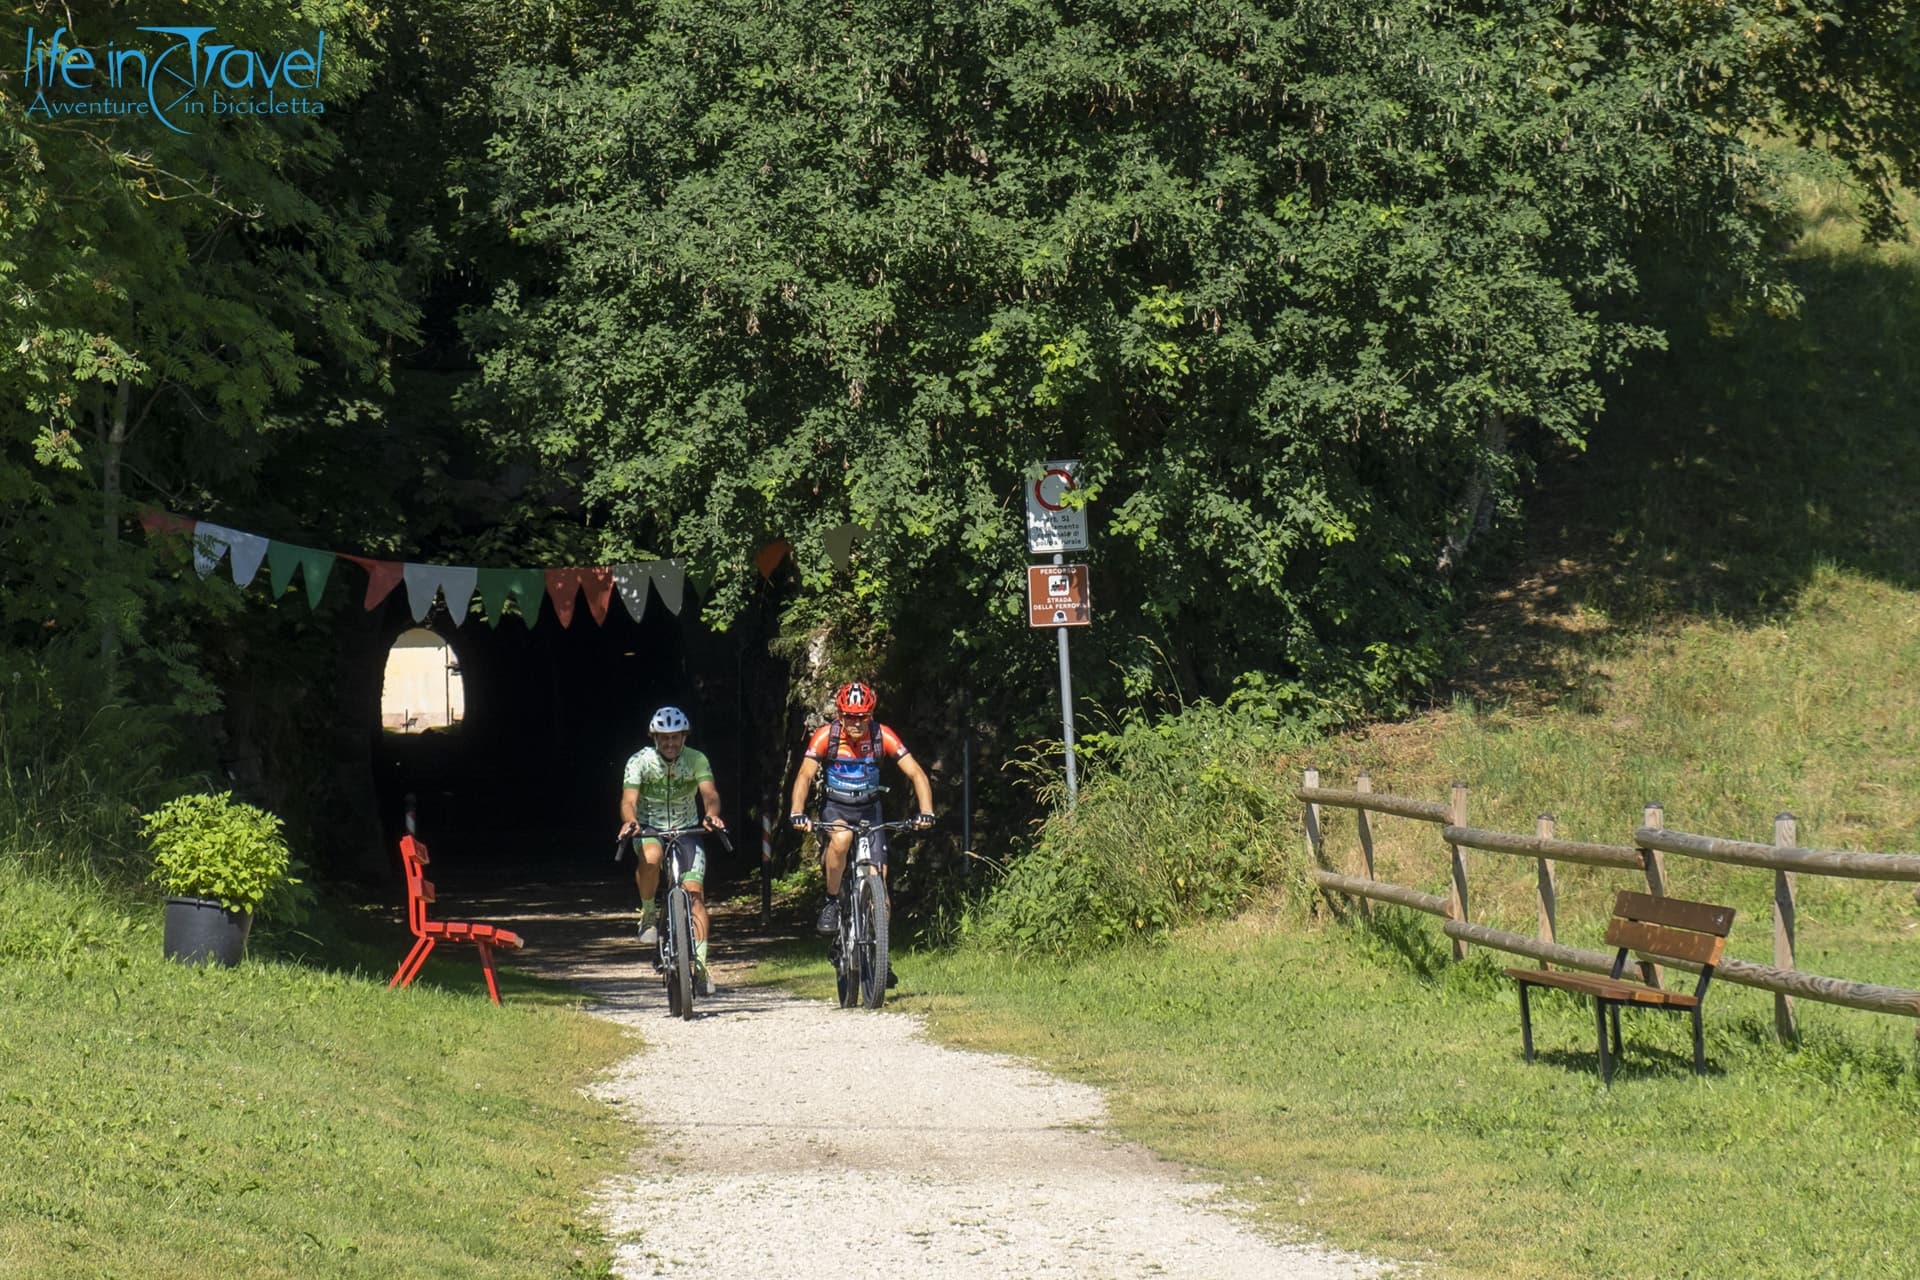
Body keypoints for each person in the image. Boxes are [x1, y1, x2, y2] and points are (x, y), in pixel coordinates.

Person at [787, 682, 933, 977]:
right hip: (836, 807)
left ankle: (881, 959)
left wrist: (927, 811)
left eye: (862, 717)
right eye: (849, 716)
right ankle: (830, 901)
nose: (855, 723)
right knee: (841, 839)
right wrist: (797, 812)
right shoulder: (826, 736)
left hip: (869, 809)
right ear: (840, 715)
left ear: (871, 715)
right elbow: (804, 775)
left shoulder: (883, 735)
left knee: (882, 889)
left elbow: (916, 772)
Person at [620, 705, 726, 996]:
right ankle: (649, 913)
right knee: (651, 857)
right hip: (650, 829)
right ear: (655, 738)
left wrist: (711, 814)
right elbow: (629, 800)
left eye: (675, 737)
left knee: (695, 897)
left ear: (684, 737)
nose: (670, 743)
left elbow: (710, 793)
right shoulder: (639, 761)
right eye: (664, 738)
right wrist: (630, 822)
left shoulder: (696, 759)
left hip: (687, 830)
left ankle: (701, 968)